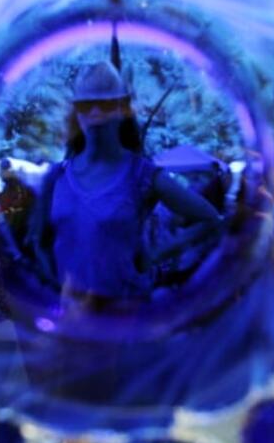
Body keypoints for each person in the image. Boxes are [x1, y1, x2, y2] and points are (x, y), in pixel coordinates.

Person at [27, 61, 223, 316]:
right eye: (86, 106)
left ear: (121, 108)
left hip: (127, 317)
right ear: (76, 112)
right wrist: (54, 286)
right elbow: (38, 240)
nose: (95, 114)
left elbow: (210, 219)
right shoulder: (56, 178)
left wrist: (157, 253)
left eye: (105, 104)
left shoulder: (142, 175)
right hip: (72, 321)